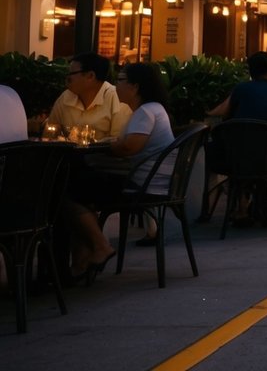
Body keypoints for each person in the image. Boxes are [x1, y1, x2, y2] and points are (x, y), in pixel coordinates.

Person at [64, 63, 176, 282]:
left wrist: (106, 146)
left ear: (135, 87)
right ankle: (83, 258)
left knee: (67, 193)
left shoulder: (146, 112)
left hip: (143, 186)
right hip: (149, 182)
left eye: (120, 80)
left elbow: (129, 147)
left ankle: (100, 247)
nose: (115, 86)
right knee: (80, 183)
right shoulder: (153, 109)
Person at [45, 52, 131, 140]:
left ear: (90, 76)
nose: (67, 78)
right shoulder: (66, 97)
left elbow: (118, 141)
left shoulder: (117, 99)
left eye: (71, 73)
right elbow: (50, 134)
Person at [208, 51, 267, 130]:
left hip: (242, 142)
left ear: (250, 71)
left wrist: (205, 113)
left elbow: (221, 112)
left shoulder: (241, 89)